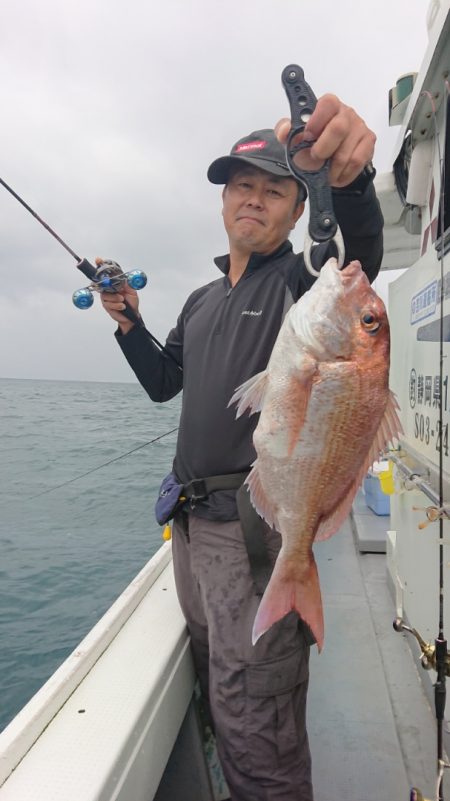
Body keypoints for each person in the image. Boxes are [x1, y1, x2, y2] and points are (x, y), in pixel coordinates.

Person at [101, 94, 383, 801]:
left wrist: (348, 183)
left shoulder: (301, 283)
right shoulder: (199, 301)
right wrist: (130, 325)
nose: (252, 198)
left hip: (252, 531)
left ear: (295, 212)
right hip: (190, 532)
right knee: (217, 691)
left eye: (273, 188)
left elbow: (357, 256)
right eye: (240, 185)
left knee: (258, 719)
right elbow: (167, 383)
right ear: (224, 201)